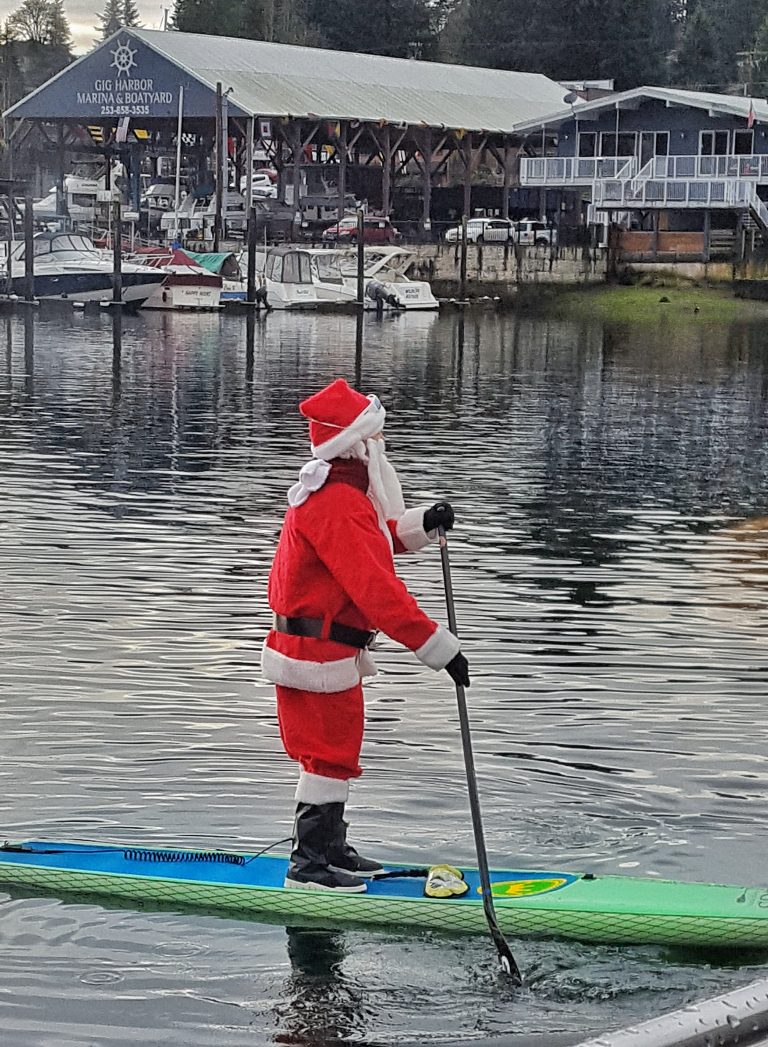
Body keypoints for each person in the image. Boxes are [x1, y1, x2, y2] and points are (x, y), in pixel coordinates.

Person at [262, 378, 470, 894]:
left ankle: (330, 849)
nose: (382, 444)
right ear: (356, 444)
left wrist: (424, 524)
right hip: (317, 653)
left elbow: (375, 539)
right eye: (376, 436)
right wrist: (438, 647)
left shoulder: (344, 492)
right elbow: (377, 589)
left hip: (323, 650)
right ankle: (309, 865)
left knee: (334, 751)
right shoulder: (338, 501)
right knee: (328, 754)